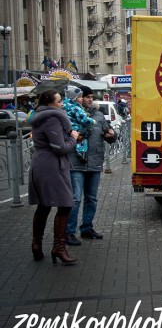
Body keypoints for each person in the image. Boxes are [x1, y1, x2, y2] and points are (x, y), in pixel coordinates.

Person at [28, 89, 80, 265]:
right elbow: (60, 147)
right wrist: (73, 138)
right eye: (59, 101)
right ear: (50, 103)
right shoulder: (52, 119)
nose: (62, 104)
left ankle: (36, 245)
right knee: (65, 205)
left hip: (41, 163)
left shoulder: (40, 117)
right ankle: (58, 247)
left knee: (44, 205)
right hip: (52, 165)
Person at [65, 85, 117, 246]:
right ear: (78, 98)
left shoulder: (99, 115)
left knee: (91, 198)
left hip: (94, 162)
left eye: (91, 97)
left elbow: (109, 135)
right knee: (75, 199)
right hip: (75, 162)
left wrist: (112, 135)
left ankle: (87, 228)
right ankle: (69, 232)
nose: (89, 99)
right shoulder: (69, 114)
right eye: (86, 96)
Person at [63, 86, 96, 162]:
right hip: (77, 128)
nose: (81, 98)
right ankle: (81, 153)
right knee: (81, 140)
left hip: (67, 129)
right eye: (80, 97)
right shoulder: (76, 108)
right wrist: (92, 121)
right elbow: (84, 120)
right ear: (74, 98)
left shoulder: (63, 106)